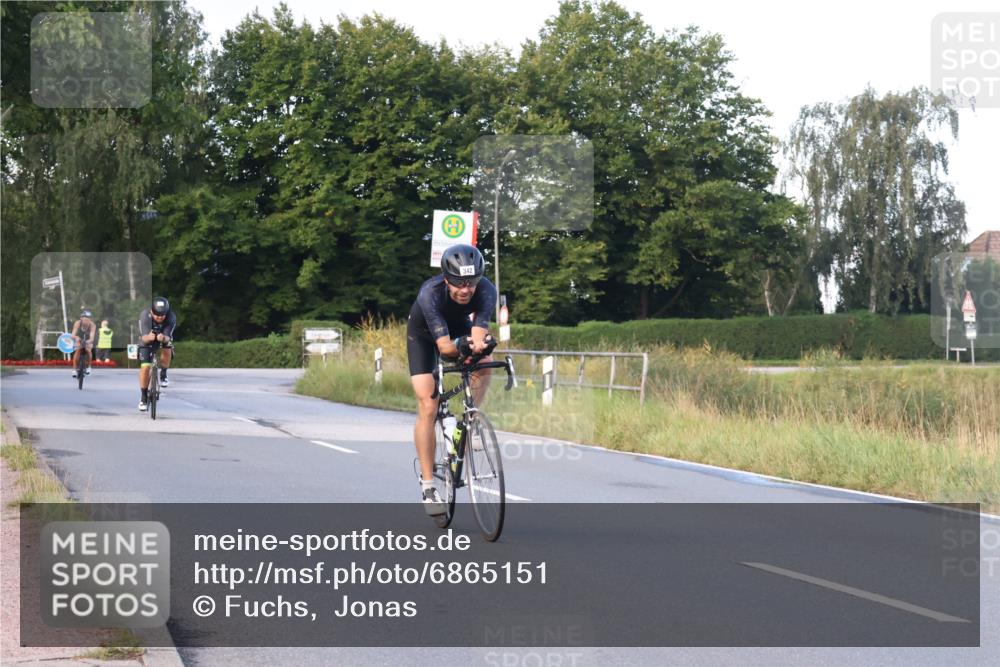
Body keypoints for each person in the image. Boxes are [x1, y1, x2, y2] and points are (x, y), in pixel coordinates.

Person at [407, 244, 497, 514]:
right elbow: (445, 348)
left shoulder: (487, 290)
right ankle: (428, 486)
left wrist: (480, 344)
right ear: (447, 279)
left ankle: (471, 418)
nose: (466, 290)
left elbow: (479, 333)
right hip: (424, 335)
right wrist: (464, 343)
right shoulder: (430, 293)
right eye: (458, 284)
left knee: (485, 360)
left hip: (457, 327)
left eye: (471, 283)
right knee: (428, 405)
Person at [137, 297, 176, 411]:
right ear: (151, 312)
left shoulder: (171, 317)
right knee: (145, 368)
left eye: (162, 315)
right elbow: (143, 337)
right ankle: (143, 397)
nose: (159, 318)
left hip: (163, 336)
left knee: (168, 346)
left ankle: (163, 373)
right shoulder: (145, 316)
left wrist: (163, 338)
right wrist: (149, 337)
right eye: (157, 315)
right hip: (147, 339)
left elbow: (168, 335)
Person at [70, 309, 97, 378]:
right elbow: (72, 335)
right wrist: (76, 337)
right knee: (78, 350)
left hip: (88, 339)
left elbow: (92, 338)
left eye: (88, 319)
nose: (87, 321)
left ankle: (88, 367)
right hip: (79, 338)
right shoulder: (77, 323)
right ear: (81, 318)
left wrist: (89, 341)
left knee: (88, 350)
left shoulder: (92, 325)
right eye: (85, 319)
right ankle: (74, 369)